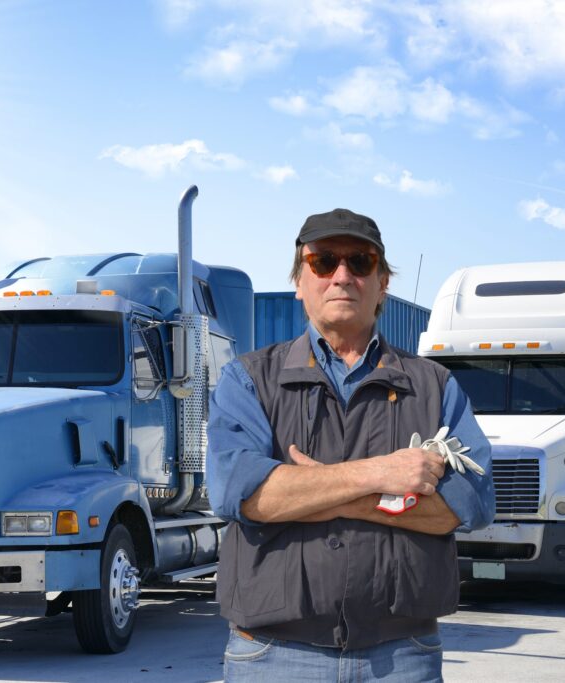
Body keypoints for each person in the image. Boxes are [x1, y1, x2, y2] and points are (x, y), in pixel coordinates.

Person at [206, 208, 495, 682]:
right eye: (323, 262)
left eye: (360, 262)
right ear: (299, 281)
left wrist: (314, 490)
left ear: (382, 284)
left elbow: (469, 504)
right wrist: (381, 474)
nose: (342, 276)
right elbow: (243, 495)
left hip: (402, 655)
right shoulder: (249, 379)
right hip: (273, 655)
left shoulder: (435, 386)